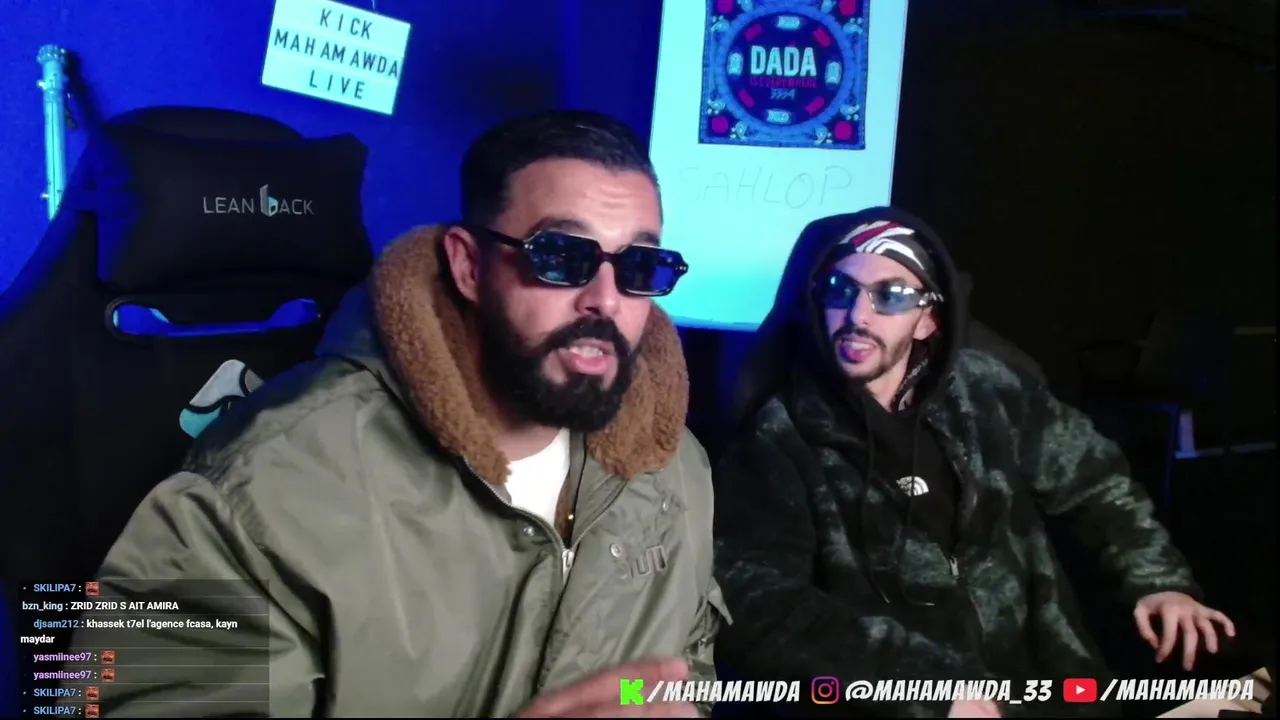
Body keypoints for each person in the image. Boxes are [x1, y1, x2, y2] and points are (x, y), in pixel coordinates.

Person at [63, 110, 725, 718]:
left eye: (641, 266)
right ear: (468, 266)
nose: (605, 300)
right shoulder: (261, 487)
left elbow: (682, 674)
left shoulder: (676, 470)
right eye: (561, 257)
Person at [712, 206, 1235, 718]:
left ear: (927, 319)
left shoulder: (988, 392)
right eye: (840, 290)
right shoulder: (779, 439)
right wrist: (924, 686)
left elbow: (1094, 479)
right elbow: (756, 597)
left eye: (890, 296)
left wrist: (1159, 581)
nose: (857, 316)